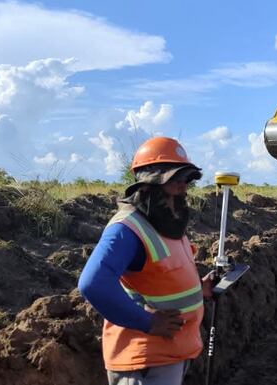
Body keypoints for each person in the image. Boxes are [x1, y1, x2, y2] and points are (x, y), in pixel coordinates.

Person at [79, 137, 213, 385]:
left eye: (185, 180)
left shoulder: (168, 223)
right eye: (174, 181)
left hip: (170, 352)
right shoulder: (127, 229)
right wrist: (148, 322)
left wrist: (200, 289)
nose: (182, 188)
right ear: (149, 184)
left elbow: (163, 276)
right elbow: (93, 284)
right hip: (144, 361)